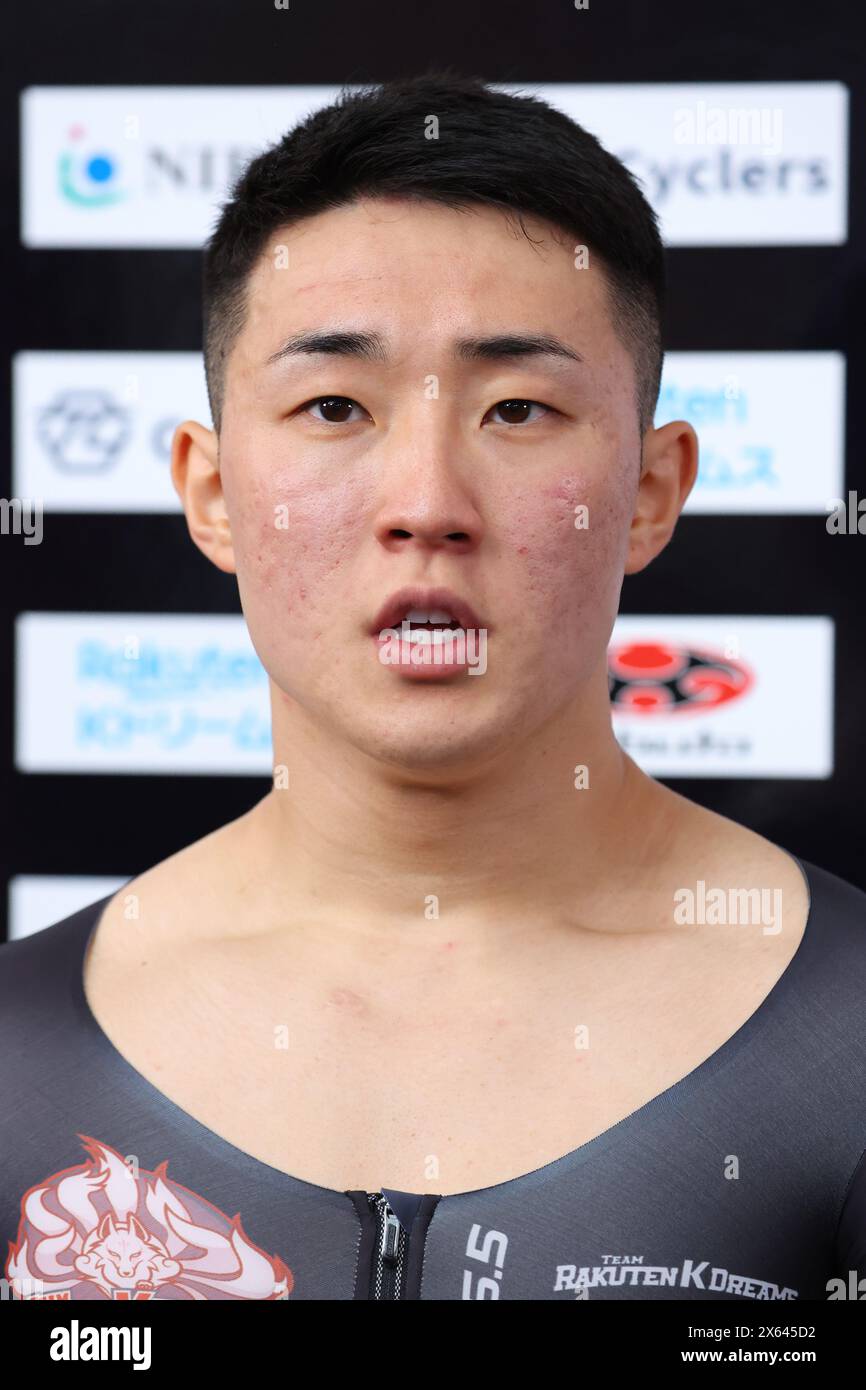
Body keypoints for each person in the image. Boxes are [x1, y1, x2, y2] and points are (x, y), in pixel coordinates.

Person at [2, 71, 864, 1303]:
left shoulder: (849, 1044)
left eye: (516, 408)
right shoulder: (15, 1048)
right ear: (209, 491)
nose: (424, 506)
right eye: (333, 405)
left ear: (648, 491)